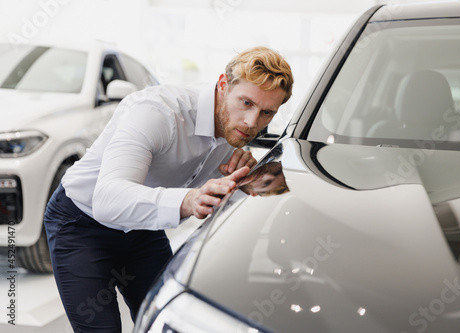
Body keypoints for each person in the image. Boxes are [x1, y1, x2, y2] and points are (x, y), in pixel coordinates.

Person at [43, 46, 293, 332]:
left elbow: (201, 177)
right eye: (246, 103)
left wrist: (235, 175)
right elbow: (107, 198)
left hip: (142, 229)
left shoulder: (235, 128)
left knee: (169, 321)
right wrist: (188, 200)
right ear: (223, 85)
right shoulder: (157, 113)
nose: (252, 123)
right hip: (81, 224)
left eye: (267, 113)